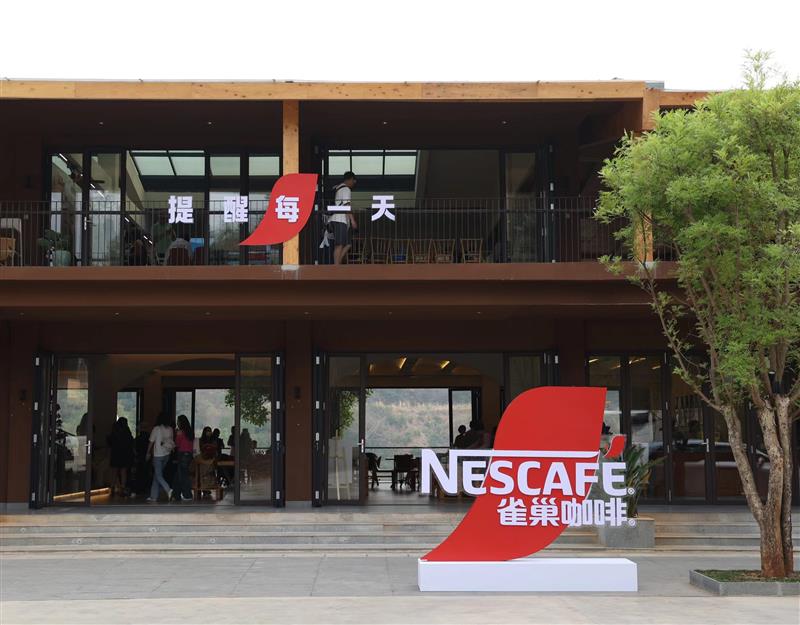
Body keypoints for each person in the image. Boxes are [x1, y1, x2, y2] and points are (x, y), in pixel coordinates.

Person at [329, 171, 358, 265]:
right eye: (354, 181)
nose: (354, 183)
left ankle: (337, 263)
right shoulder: (345, 189)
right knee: (340, 244)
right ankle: (336, 266)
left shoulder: (339, 188)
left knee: (348, 243)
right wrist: (353, 220)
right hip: (340, 219)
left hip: (340, 219)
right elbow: (346, 205)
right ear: (350, 179)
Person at [146, 413, 174, 502]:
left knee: (158, 475)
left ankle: (168, 489)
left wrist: (148, 453)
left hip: (158, 455)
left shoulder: (156, 429)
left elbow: (151, 442)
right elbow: (171, 441)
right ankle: (153, 496)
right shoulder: (170, 429)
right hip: (167, 454)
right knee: (156, 475)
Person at [108, 417, 135, 497]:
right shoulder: (127, 432)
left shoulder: (115, 431)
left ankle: (112, 487)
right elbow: (131, 442)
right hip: (124, 454)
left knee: (114, 471)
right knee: (123, 471)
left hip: (115, 453)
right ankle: (122, 488)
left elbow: (110, 442)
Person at [174, 414, 195, 501]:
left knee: (183, 475)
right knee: (181, 474)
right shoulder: (190, 432)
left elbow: (177, 444)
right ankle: (176, 494)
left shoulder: (180, 432)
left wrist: (177, 435)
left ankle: (187, 495)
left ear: (181, 422)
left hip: (182, 454)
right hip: (189, 454)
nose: (177, 423)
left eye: (178, 421)